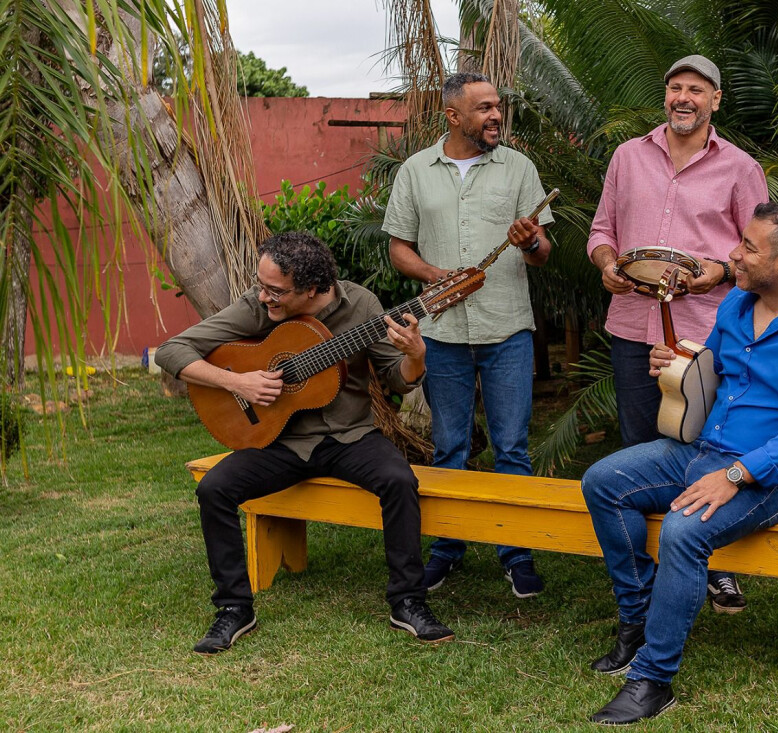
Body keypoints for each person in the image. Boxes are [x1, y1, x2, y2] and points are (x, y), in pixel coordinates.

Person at [581, 203, 778, 724]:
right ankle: (637, 620)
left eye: (749, 247)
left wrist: (735, 475)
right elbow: (710, 372)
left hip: (772, 480)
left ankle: (653, 679)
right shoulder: (735, 303)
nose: (733, 253)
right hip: (700, 451)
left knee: (684, 532)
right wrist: (677, 367)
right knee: (603, 481)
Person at [156, 231, 454, 654]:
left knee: (399, 481)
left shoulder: (361, 306)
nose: (263, 297)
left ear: (313, 289)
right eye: (262, 286)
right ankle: (234, 609)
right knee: (213, 489)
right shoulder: (258, 308)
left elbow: (396, 379)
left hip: (349, 437)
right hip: (279, 440)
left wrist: (416, 356)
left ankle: (407, 601)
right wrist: (237, 380)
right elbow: (172, 350)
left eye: (275, 291)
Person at [587, 54, 769, 614]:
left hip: (705, 332)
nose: (682, 98)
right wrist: (606, 263)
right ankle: (641, 577)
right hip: (633, 328)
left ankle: (709, 563)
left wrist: (716, 271)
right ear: (664, 96)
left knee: (705, 444)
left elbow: (755, 250)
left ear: (715, 100)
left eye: (696, 89)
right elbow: (601, 229)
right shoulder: (627, 157)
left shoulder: (740, 167)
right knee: (640, 445)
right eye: (674, 88)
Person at [383, 71, 554, 599]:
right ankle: (448, 549)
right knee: (450, 446)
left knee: (511, 447)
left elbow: (543, 252)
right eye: (483, 108)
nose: (496, 115)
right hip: (442, 333)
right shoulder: (416, 172)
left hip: (507, 330)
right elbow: (398, 248)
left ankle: (517, 553)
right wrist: (436, 277)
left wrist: (529, 242)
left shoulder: (519, 168)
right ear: (453, 116)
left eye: (498, 106)